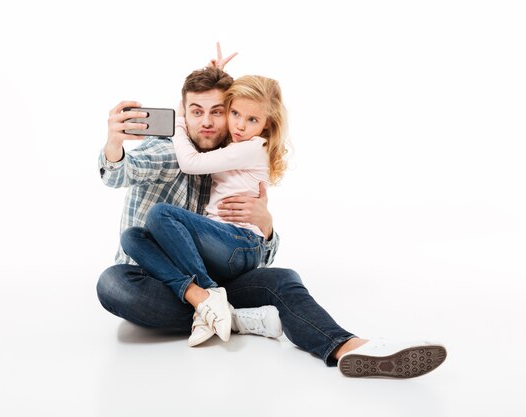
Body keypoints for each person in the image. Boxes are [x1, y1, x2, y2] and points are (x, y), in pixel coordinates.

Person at [96, 45, 447, 378]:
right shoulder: (168, 148)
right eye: (196, 111)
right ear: (182, 112)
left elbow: (249, 251)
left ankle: (348, 347)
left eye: (219, 111)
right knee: (112, 283)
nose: (207, 122)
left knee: (282, 279)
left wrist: (266, 227)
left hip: (218, 276)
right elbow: (124, 171)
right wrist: (113, 145)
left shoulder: (234, 156)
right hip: (154, 283)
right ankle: (232, 315)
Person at [120, 74, 289, 347]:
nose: (240, 125)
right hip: (201, 258)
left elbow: (191, 161)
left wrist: (178, 119)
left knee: (160, 215)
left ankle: (209, 296)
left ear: (266, 124)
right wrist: (115, 147)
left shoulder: (248, 147)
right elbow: (120, 173)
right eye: (235, 114)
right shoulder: (226, 145)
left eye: (252, 120)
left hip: (237, 244)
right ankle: (220, 309)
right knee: (131, 241)